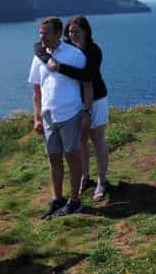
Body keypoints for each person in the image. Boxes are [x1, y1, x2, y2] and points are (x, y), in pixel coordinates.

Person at [34, 15, 110, 201]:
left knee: (97, 138)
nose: (72, 35)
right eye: (69, 31)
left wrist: (59, 68)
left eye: (76, 31)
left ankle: (102, 181)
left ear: (86, 32)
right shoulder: (65, 49)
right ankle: (85, 177)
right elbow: (38, 47)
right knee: (79, 142)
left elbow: (87, 75)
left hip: (97, 98)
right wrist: (47, 58)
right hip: (77, 102)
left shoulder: (93, 51)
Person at [29, 17, 90, 219]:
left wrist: (87, 112)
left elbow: (87, 84)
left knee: (72, 156)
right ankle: (57, 199)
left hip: (70, 113)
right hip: (48, 116)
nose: (41, 37)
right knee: (53, 158)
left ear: (57, 34)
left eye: (46, 33)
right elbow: (36, 89)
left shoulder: (74, 55)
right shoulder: (39, 57)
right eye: (40, 33)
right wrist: (37, 117)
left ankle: (74, 200)